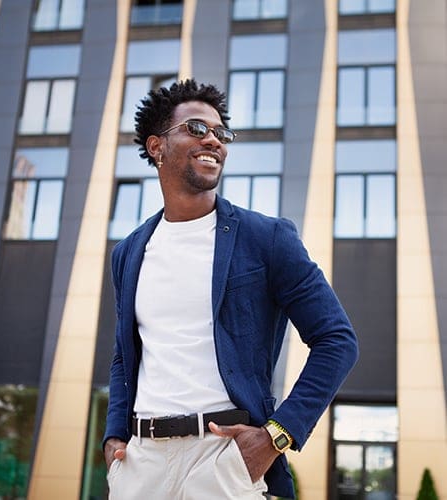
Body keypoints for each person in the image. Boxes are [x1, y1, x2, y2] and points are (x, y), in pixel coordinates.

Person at [103, 79, 358, 499]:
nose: (214, 142)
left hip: (224, 458)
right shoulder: (129, 252)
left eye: (221, 133)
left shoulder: (267, 238)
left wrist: (277, 436)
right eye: (197, 129)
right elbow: (124, 353)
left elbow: (337, 340)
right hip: (140, 462)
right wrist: (114, 436)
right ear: (156, 146)